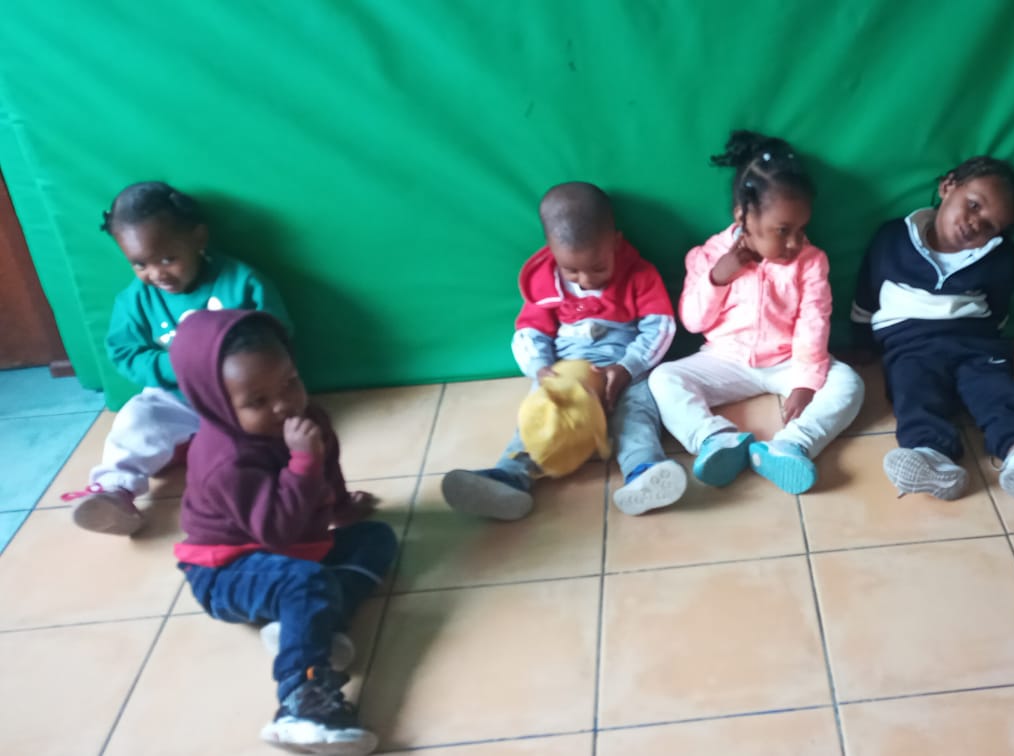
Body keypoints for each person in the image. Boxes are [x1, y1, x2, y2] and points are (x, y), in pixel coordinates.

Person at [170, 309, 395, 754]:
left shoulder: (307, 418)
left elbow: (328, 473)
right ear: (215, 401)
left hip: (294, 547)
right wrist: (303, 462)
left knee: (376, 538)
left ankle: (310, 626)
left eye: (290, 382)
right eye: (257, 401)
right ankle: (299, 700)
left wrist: (341, 505)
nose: (284, 405)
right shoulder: (224, 460)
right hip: (227, 569)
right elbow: (276, 530)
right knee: (303, 581)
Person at [442, 182, 685, 518]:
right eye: (572, 271)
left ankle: (644, 471)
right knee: (540, 419)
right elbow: (530, 332)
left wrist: (628, 367)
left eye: (598, 268)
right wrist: (540, 369)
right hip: (566, 370)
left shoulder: (639, 274)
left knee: (636, 417)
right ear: (553, 252)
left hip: (624, 365)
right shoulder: (544, 282)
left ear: (616, 243)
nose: (586, 280)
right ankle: (509, 477)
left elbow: (660, 326)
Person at [851, 156, 1014, 501]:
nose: (975, 224)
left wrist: (995, 345)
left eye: (989, 226)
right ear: (947, 187)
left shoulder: (1000, 257)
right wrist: (861, 340)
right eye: (973, 205)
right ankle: (931, 455)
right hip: (910, 344)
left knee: (997, 392)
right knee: (913, 392)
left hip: (975, 343)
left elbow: (999, 305)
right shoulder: (893, 237)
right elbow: (867, 291)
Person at [62, 182, 291, 535]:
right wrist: (175, 366)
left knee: (272, 438)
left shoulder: (241, 282)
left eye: (168, 259)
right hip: (175, 398)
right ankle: (114, 493)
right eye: (140, 264)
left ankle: (263, 497)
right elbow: (124, 352)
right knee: (136, 418)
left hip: (241, 399)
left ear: (198, 238)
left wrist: (241, 366)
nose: (156, 274)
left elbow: (278, 335)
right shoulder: (135, 300)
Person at [649, 130, 864, 495]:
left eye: (801, 229)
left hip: (787, 361)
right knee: (663, 379)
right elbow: (693, 321)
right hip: (725, 360)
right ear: (743, 215)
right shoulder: (708, 255)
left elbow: (813, 323)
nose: (794, 242)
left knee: (850, 384)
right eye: (782, 230)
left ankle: (791, 446)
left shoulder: (811, 261)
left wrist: (806, 383)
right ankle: (715, 439)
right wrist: (719, 277)